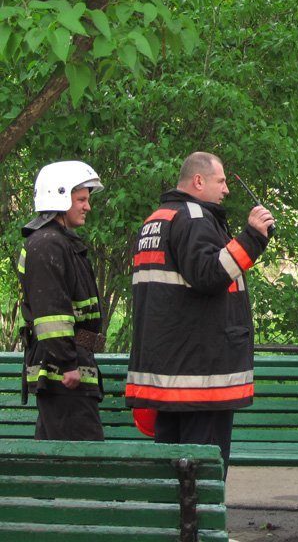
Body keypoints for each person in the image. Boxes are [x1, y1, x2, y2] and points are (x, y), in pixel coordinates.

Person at [125, 152, 274, 475]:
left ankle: (170, 526)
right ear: (198, 181)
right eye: (221, 181)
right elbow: (210, 275)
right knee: (203, 473)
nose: (226, 190)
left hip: (170, 375)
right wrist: (253, 238)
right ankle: (200, 526)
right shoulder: (194, 218)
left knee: (171, 473)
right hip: (200, 377)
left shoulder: (158, 218)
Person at [17, 161, 106, 441]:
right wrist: (68, 364)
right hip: (63, 376)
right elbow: (51, 316)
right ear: (58, 196)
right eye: (80, 199)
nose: (87, 207)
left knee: (59, 464)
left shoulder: (59, 242)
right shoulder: (47, 244)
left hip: (68, 372)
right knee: (83, 464)